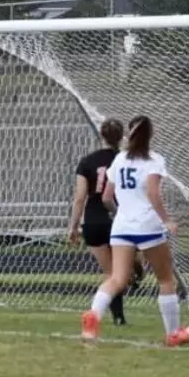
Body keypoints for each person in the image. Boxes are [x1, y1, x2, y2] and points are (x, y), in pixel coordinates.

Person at [80, 115, 189, 347]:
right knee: (165, 280)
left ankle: (93, 316)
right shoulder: (154, 160)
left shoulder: (120, 159)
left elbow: (106, 197)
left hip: (122, 226)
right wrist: (167, 220)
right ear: (150, 135)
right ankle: (173, 333)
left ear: (129, 134)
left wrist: (124, 212)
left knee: (117, 278)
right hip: (148, 226)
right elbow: (153, 193)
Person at [67, 119, 144, 326]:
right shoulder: (127, 160)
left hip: (93, 222)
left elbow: (80, 197)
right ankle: (135, 268)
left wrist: (73, 226)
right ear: (121, 137)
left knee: (111, 273)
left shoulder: (87, 161)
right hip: (120, 220)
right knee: (123, 269)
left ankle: (118, 317)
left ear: (101, 135)